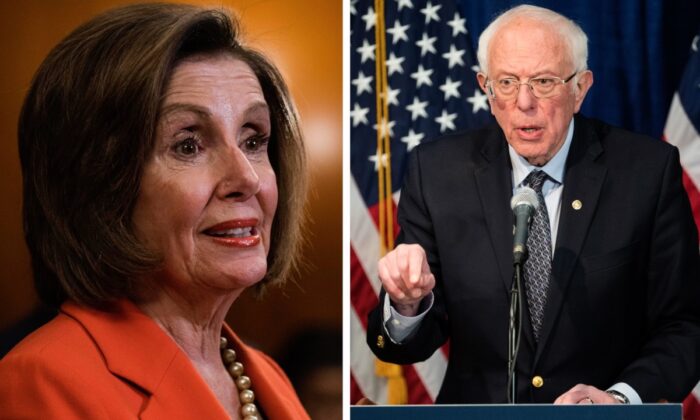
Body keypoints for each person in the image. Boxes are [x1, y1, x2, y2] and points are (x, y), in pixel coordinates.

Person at [367, 4, 700, 405]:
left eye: (543, 82)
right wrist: (407, 304)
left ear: (580, 89)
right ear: (485, 90)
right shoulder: (436, 173)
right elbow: (406, 345)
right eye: (506, 83)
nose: (524, 102)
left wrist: (620, 400)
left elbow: (685, 326)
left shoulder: (646, 172)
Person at [0, 4, 309, 419]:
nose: (247, 179)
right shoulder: (40, 380)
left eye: (253, 140)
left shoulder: (267, 376)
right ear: (99, 185)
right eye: (187, 145)